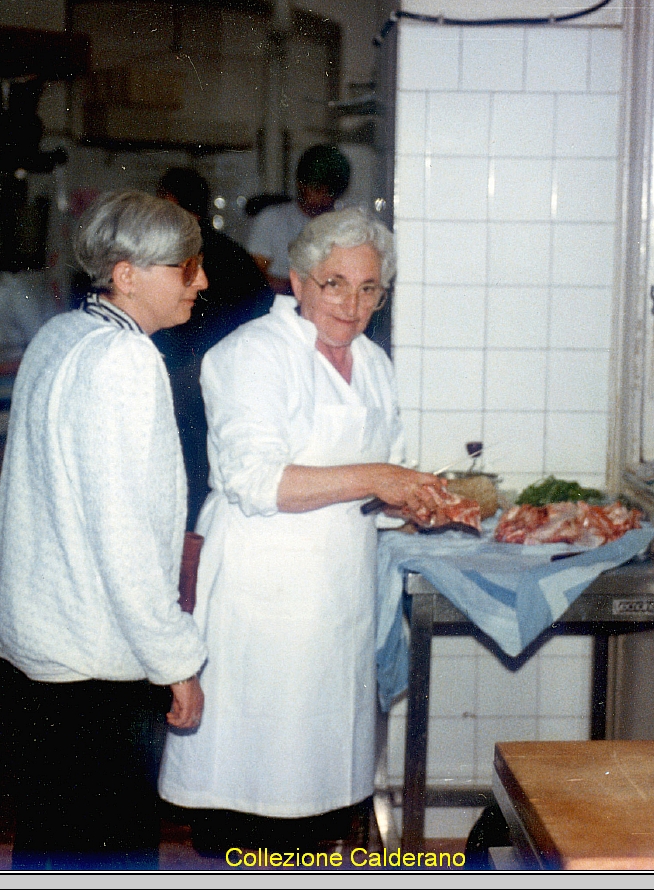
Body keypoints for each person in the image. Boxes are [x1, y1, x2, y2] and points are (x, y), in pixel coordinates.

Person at [158, 207, 445, 850]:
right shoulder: (251, 355)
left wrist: (411, 501)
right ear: (298, 280)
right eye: (335, 282)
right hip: (264, 600)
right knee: (258, 800)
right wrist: (378, 477)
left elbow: (380, 479)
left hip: (338, 599)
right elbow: (260, 481)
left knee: (326, 792)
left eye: (369, 288)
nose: (352, 303)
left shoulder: (372, 362)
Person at [0, 191, 208, 869]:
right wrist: (178, 662)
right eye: (185, 267)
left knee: (52, 839)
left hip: (34, 643)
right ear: (127, 273)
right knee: (110, 852)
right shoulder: (125, 361)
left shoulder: (63, 332)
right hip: (90, 661)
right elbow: (126, 537)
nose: (201, 280)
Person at [154, 168, 275, 530]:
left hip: (181, 391)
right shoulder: (235, 255)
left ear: (172, 202)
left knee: (179, 488)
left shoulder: (171, 259)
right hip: (229, 391)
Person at [245, 144, 351, 294]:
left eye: (329, 193)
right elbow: (255, 278)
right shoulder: (271, 219)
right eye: (316, 190)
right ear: (300, 184)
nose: (322, 198)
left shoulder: (344, 226)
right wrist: (303, 287)